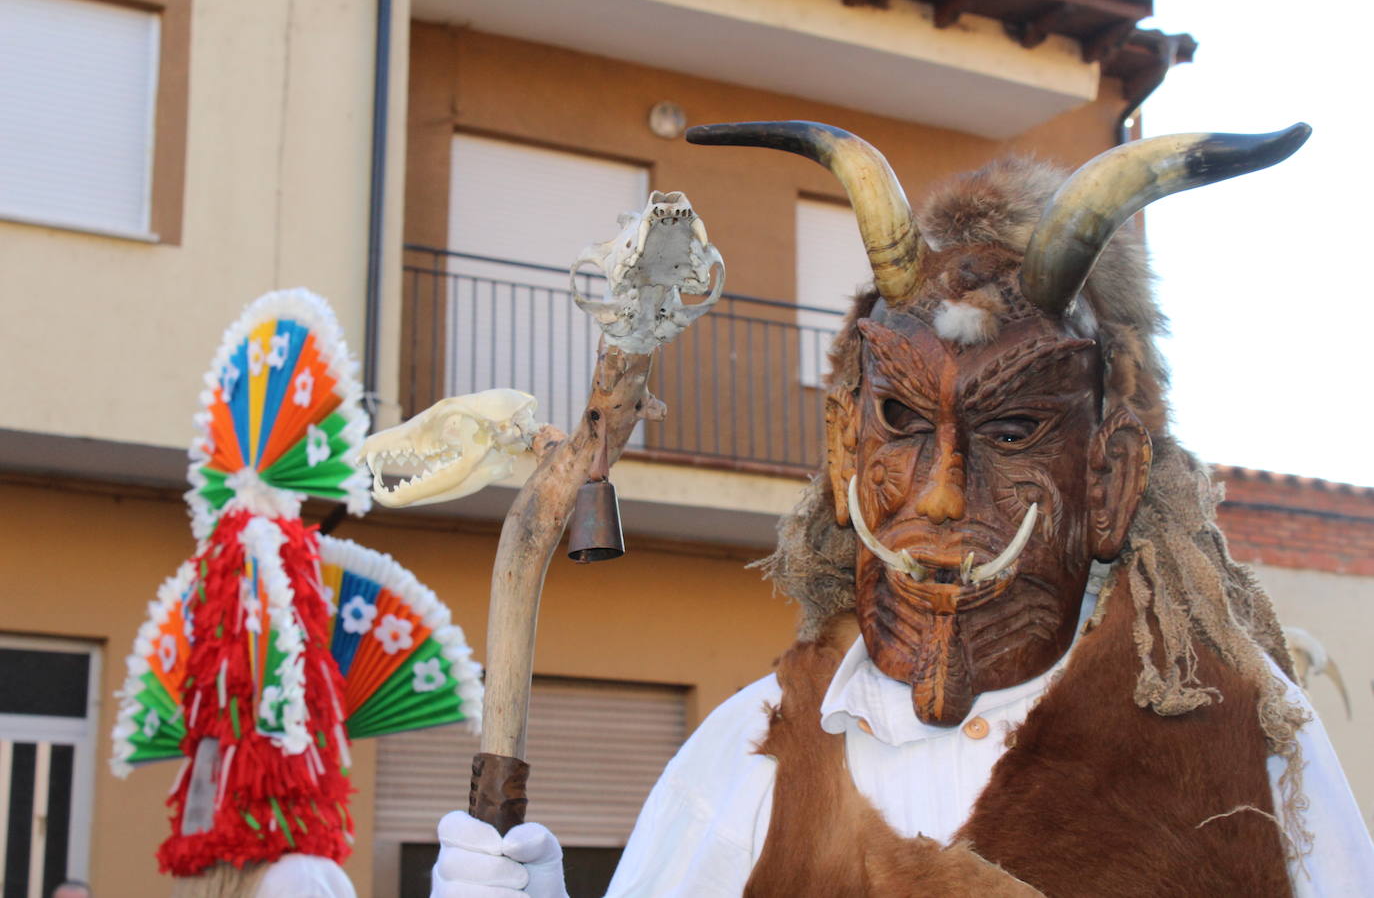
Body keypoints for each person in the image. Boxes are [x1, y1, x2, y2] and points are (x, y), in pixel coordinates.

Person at [432, 121, 1374, 896]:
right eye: (900, 418)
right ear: (846, 444)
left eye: (1012, 431)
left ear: (1111, 474)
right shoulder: (747, 761)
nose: (941, 490)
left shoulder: (1248, 745)